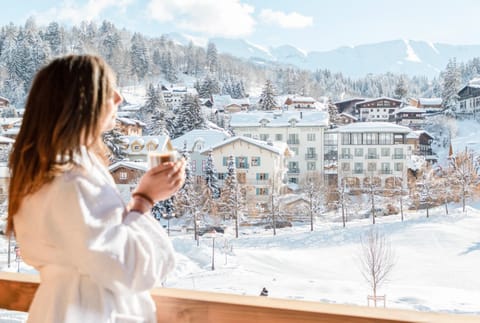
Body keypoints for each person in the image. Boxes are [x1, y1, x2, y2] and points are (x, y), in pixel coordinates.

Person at [6, 54, 186, 323]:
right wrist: (144, 199)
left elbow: (90, 243)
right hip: (87, 312)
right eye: (108, 90)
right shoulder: (73, 182)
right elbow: (128, 268)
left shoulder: (41, 173)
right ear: (82, 101)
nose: (119, 98)